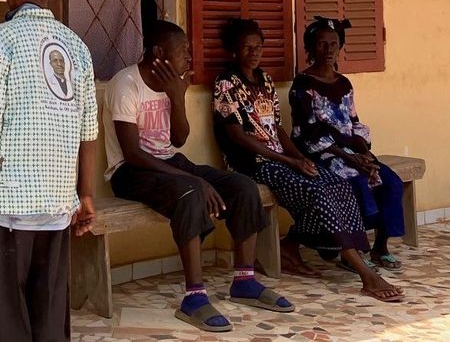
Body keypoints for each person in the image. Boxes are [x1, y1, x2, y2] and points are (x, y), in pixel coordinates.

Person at [105, 21, 294, 333]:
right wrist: (194, 180)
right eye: (183, 53)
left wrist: (177, 97)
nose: (188, 59)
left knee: (242, 186)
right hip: (130, 171)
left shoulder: (172, 84)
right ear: (158, 53)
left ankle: (245, 281)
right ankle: (194, 298)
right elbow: (133, 153)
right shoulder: (125, 84)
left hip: (168, 160)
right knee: (190, 190)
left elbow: (178, 141)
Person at [211, 18, 404, 303]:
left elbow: (276, 128)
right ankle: (366, 274)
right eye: (246, 47)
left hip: (281, 159)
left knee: (337, 184)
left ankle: (295, 248)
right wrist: (290, 161)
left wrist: (300, 158)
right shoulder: (226, 82)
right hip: (253, 164)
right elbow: (237, 136)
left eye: (258, 47)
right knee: (318, 192)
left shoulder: (264, 80)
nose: (254, 53)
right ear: (234, 51)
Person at [0, 0, 99, 342]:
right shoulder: (78, 47)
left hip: (9, 201)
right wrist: (85, 194)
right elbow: (88, 132)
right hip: (58, 200)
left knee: (8, 307)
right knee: (50, 301)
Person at [290, 17, 407, 271]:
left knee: (390, 181)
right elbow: (307, 133)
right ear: (310, 49)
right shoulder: (303, 85)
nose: (329, 49)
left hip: (352, 153)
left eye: (334, 44)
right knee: (357, 183)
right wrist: (349, 158)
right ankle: (352, 251)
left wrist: (365, 153)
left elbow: (354, 122)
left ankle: (380, 247)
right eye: (322, 44)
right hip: (323, 154)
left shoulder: (344, 84)